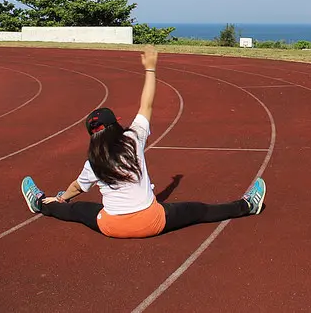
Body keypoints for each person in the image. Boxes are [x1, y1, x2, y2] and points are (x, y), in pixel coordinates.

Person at [20, 45, 266, 238]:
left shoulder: (93, 161)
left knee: (76, 210)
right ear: (116, 125)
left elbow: (77, 187)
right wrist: (150, 68)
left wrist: (62, 198)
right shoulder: (132, 139)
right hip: (152, 222)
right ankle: (246, 206)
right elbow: (146, 104)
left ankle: (40, 203)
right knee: (198, 210)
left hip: (111, 227)